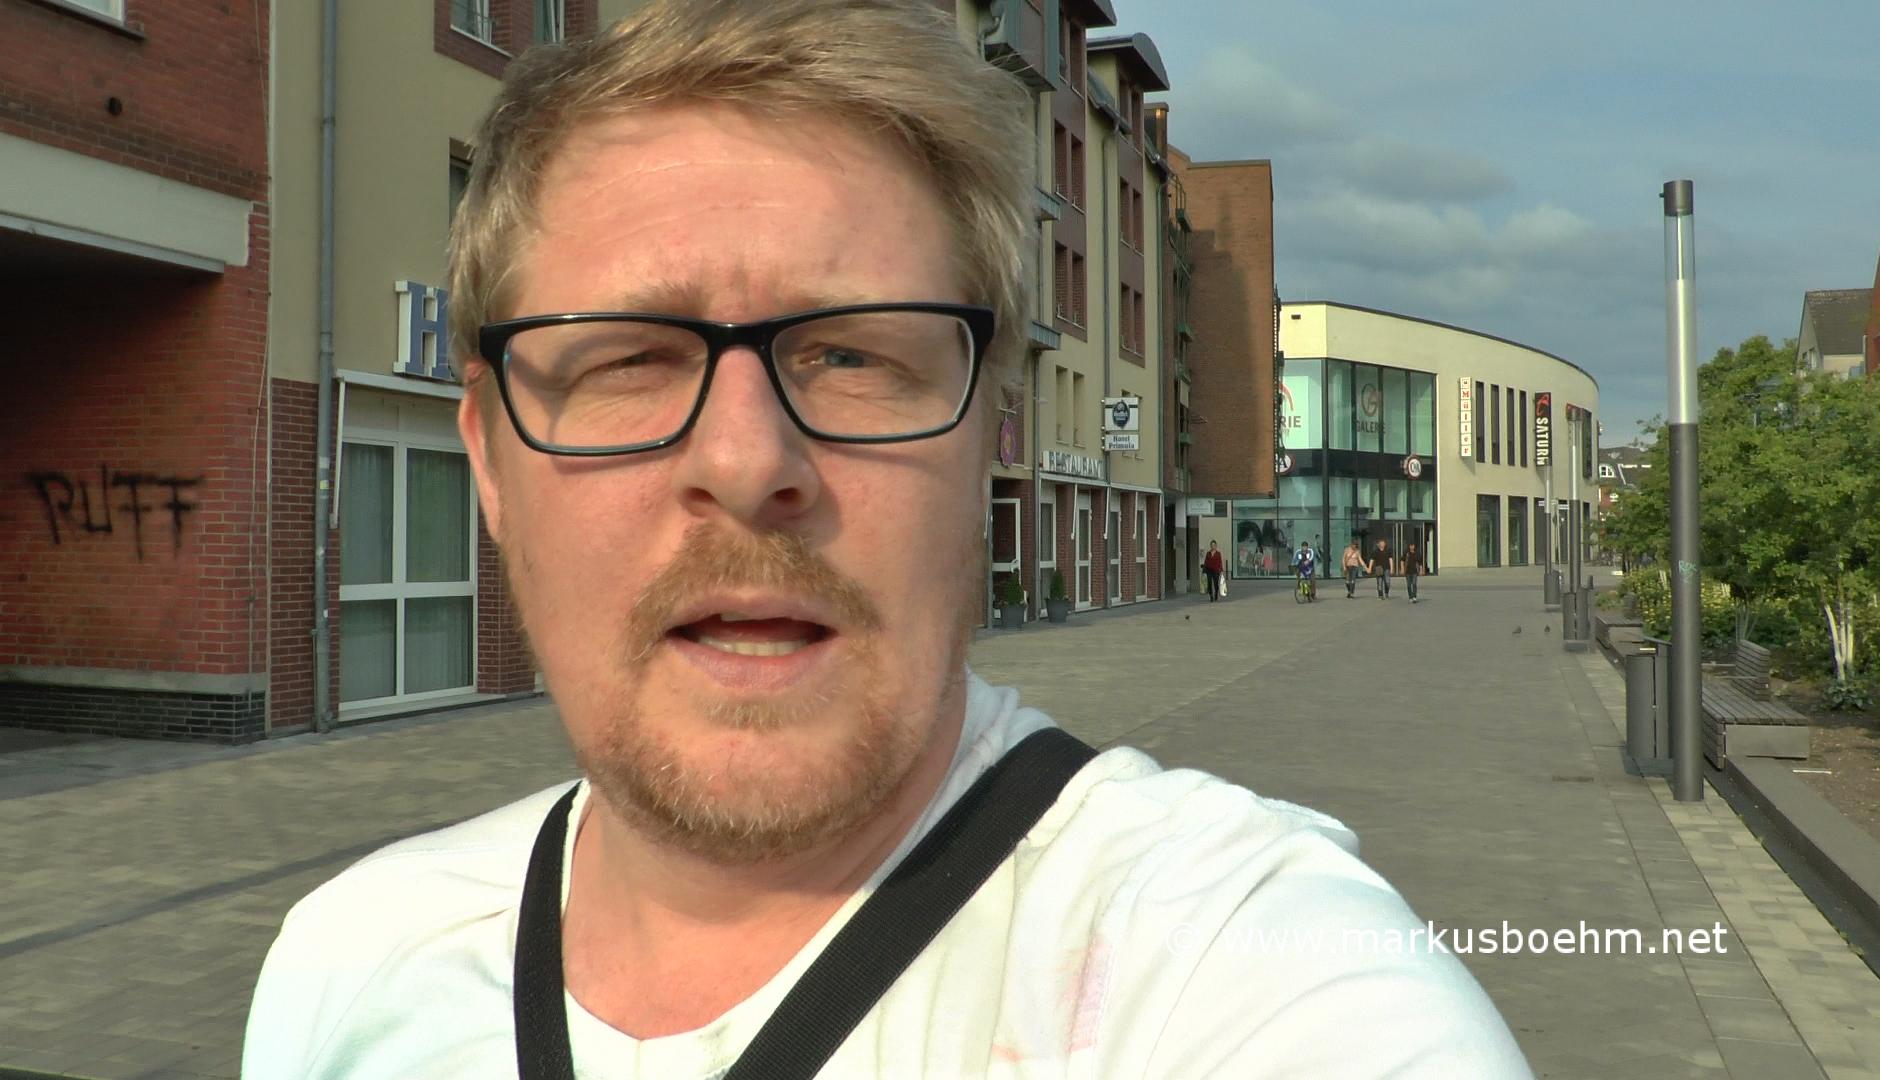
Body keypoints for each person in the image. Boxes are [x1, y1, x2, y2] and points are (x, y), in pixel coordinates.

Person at [241, 3, 1529, 1076]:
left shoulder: (1231, 963)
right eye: (629, 359)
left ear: (989, 441)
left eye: (853, 355)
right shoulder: (353, 959)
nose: (746, 462)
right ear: (490, 459)